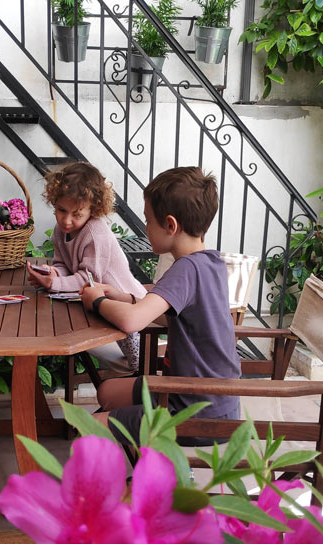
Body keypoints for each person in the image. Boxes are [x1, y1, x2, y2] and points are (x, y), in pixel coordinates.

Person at [80, 166, 241, 445]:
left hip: (192, 412)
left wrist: (98, 301)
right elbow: (178, 318)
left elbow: (132, 322)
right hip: (213, 402)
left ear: (170, 225)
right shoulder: (211, 263)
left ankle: (162, 469)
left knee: (89, 427)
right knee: (107, 392)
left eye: (148, 221)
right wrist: (127, 298)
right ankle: (153, 454)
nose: (145, 228)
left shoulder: (185, 269)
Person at [27, 161, 146, 372]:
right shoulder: (60, 230)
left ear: (94, 209)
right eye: (61, 210)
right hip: (98, 302)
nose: (66, 220)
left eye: (77, 214)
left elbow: (88, 278)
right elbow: (63, 263)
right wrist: (53, 272)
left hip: (126, 303)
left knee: (138, 365)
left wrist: (55, 283)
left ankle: (149, 385)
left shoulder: (95, 232)